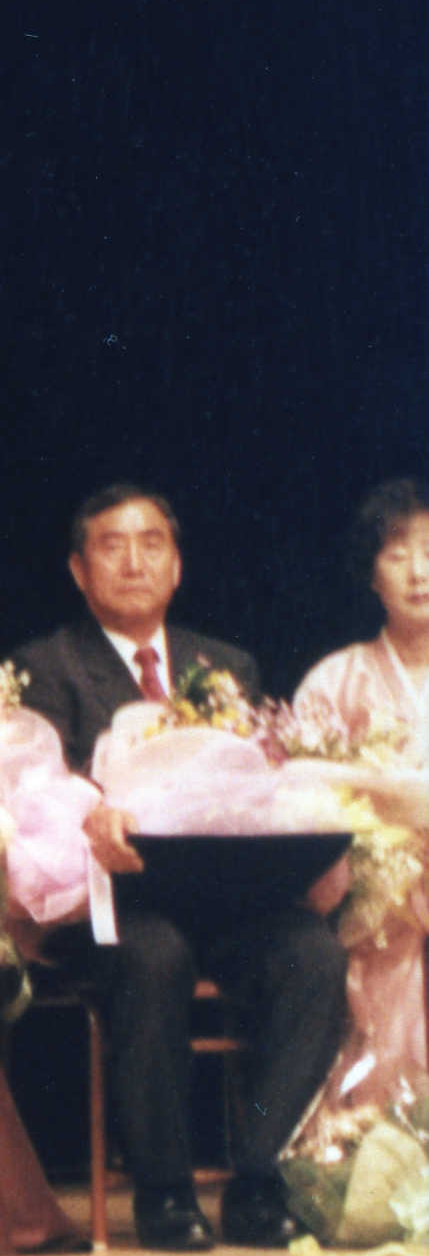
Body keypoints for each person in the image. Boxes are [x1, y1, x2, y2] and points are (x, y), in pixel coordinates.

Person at [8, 485, 346, 1251]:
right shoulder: (45, 666)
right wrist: (88, 815)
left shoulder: (225, 663)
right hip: (112, 903)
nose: (133, 561)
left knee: (312, 956)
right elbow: (30, 790)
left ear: (177, 564)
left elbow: (256, 781)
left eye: (151, 542)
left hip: (225, 897)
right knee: (154, 954)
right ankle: (163, 1190)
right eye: (111, 545)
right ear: (77, 568)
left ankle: (258, 1176)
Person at [289, 479, 429, 1118]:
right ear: (371, 574)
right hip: (374, 909)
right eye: (397, 554)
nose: (418, 572)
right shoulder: (336, 679)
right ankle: (372, 1133)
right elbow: (299, 796)